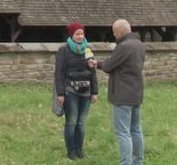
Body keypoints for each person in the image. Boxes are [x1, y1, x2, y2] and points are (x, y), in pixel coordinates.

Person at [89, 19, 145, 165]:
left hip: (122, 94)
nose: (114, 35)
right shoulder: (139, 44)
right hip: (136, 92)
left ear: (120, 31)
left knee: (123, 133)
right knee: (136, 130)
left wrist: (98, 64)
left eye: (114, 32)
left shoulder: (123, 46)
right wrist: (100, 63)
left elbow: (109, 66)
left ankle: (126, 163)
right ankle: (138, 161)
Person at [54, 22, 99, 160]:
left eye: (82, 33)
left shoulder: (87, 50)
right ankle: (71, 151)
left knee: (81, 122)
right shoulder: (64, 50)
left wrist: (95, 91)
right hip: (70, 90)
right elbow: (59, 73)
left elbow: (93, 72)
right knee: (72, 121)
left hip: (86, 90)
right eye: (77, 34)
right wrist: (60, 93)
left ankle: (80, 149)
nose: (80, 36)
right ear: (71, 35)